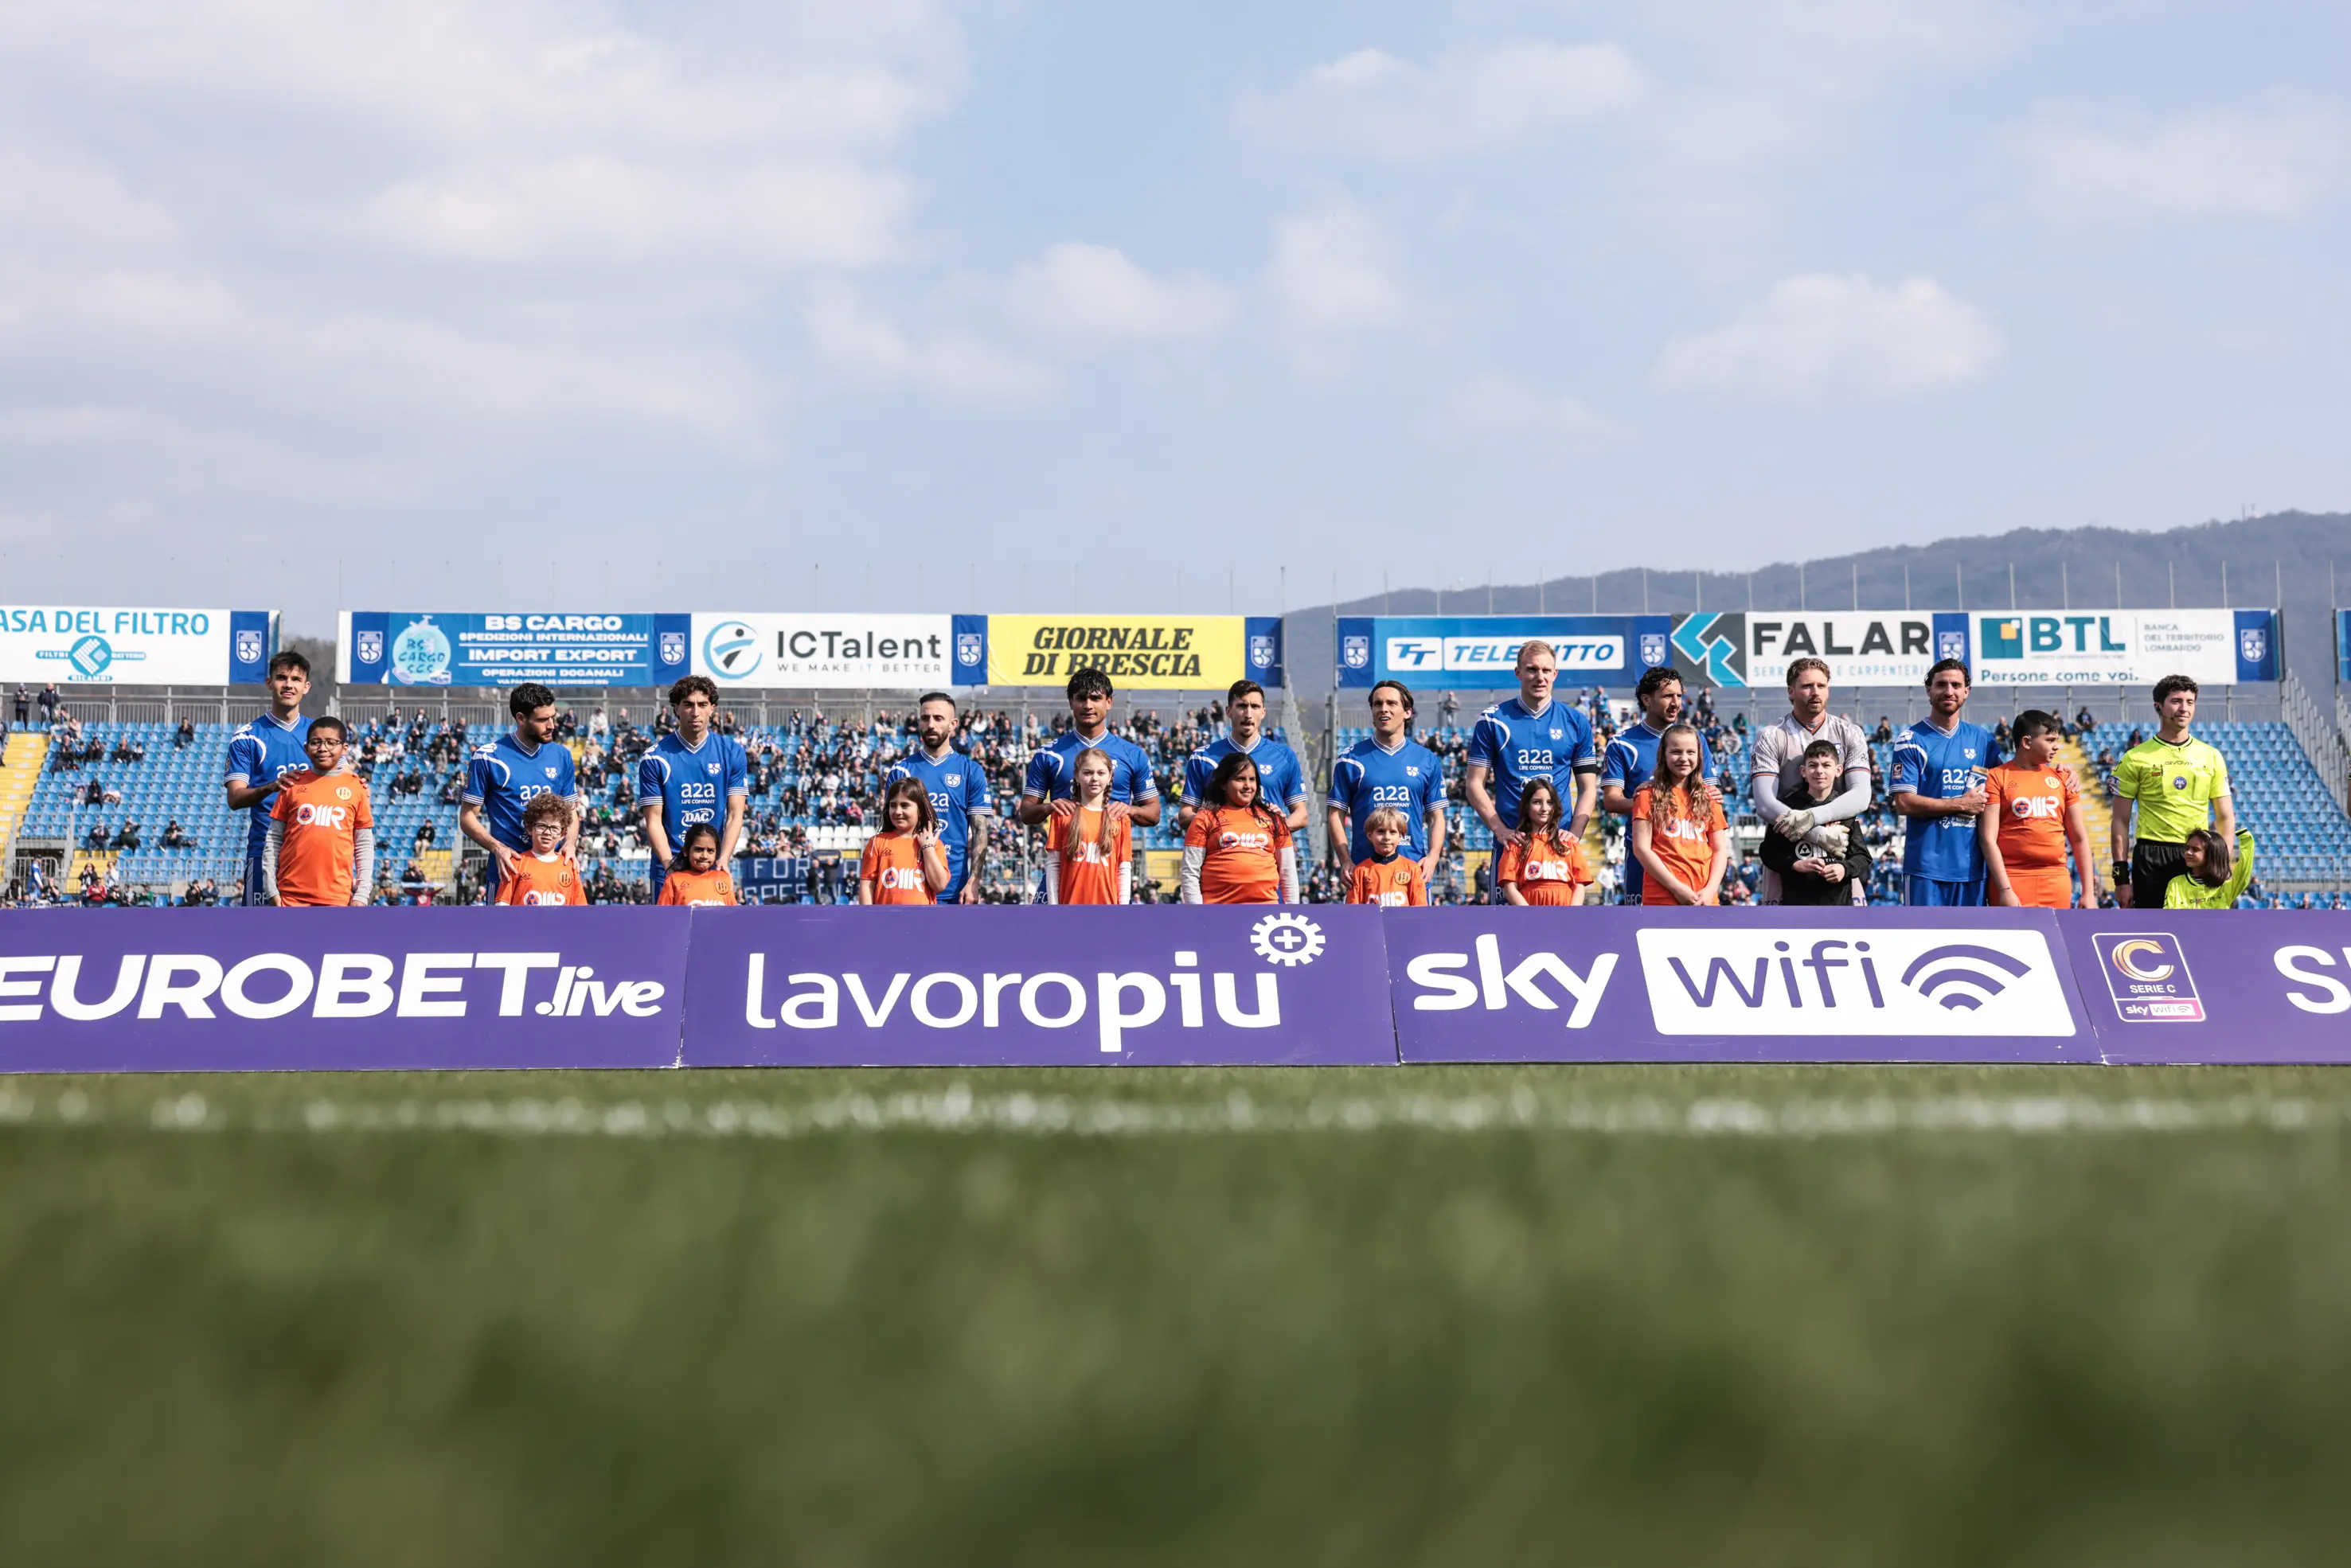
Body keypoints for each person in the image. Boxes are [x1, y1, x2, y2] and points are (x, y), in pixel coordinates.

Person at [1464, 642, 1599, 881]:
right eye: (1532, 670)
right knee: (1507, 919)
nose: (1540, 677)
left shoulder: (1576, 721)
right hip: (1513, 844)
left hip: (1558, 845)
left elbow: (1589, 788)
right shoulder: (1493, 720)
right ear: (1518, 673)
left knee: (1561, 917)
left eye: (1547, 671)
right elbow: (1474, 784)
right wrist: (1499, 829)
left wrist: (1576, 833)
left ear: (1555, 674)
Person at [1748, 657, 1872, 904]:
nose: (1815, 692)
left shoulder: (1850, 733)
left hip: (1840, 847)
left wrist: (1813, 820)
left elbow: (1861, 796)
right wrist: (1817, 834)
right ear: (1791, 691)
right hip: (1788, 853)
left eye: (1821, 685)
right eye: (1806, 686)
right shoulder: (1771, 736)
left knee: (1850, 929)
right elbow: (1764, 804)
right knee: (1781, 933)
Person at [2111, 674, 2235, 910]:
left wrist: (2222, 864)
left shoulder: (2211, 756)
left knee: (2198, 932)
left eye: (2190, 702)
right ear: (2159, 707)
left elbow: (2226, 817)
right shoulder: (2135, 758)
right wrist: (2121, 878)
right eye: (2176, 701)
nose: (2184, 708)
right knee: (2153, 931)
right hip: (2151, 856)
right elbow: (2119, 820)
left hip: (2197, 854)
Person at [1599, 667, 1716, 904]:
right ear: (1646, 700)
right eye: (1667, 696)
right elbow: (1611, 800)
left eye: (1679, 696)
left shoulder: (1696, 739)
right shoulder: (1622, 743)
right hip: (1644, 855)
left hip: (1691, 857)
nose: (1676, 703)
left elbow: (1710, 793)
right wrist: (1649, 803)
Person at [1890, 659, 2001, 906]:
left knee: (1970, 942)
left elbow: (2009, 781)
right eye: (1941, 684)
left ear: (1966, 692)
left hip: (1974, 869)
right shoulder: (1911, 739)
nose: (1949, 691)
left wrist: (2050, 771)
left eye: (1956, 685)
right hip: (1926, 869)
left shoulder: (1983, 740)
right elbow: (1904, 803)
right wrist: (1960, 804)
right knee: (1923, 941)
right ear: (1929, 689)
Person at [462, 682, 581, 902]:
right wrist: (497, 849)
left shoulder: (561, 756)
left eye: (553, 717)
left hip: (552, 876)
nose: (552, 725)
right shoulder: (489, 757)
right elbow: (467, 818)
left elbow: (571, 812)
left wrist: (570, 844)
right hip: (508, 873)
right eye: (543, 720)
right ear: (520, 718)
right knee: (501, 937)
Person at [638, 675, 748, 903]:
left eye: (702, 704)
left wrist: (723, 859)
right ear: (676, 709)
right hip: (669, 866)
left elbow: (736, 815)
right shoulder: (655, 758)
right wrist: (669, 864)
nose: (695, 712)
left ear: (713, 709)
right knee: (666, 937)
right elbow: (654, 820)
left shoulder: (732, 752)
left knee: (716, 936)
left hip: (711, 866)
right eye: (688, 704)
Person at [1327, 680, 1447, 887]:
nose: (1384, 709)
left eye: (1391, 704)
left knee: (1413, 922)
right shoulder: (1351, 759)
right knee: (1363, 922)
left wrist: (1433, 857)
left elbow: (1437, 817)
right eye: (1377, 704)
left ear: (1407, 712)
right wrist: (1345, 860)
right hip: (1365, 874)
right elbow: (1335, 815)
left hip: (1413, 872)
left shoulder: (1426, 760)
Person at [222, 650, 314, 907]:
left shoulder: (320, 736)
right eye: (281, 677)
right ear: (269, 683)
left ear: (306, 687)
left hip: (311, 857)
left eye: (296, 679)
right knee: (257, 939)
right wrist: (272, 786)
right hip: (264, 855)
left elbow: (343, 782)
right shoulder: (248, 736)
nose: (288, 684)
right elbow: (235, 798)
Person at [1017, 668, 1162, 830]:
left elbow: (1154, 813)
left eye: (1095, 698)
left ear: (1109, 702)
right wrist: (1049, 807)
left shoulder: (1134, 754)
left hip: (1115, 853)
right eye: (1081, 698)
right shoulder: (1048, 754)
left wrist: (1130, 810)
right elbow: (1026, 813)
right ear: (1071, 702)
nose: (1088, 705)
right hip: (1066, 852)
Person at [883, 692, 994, 904]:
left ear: (953, 725)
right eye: (925, 718)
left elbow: (980, 829)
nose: (931, 724)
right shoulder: (901, 770)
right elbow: (889, 831)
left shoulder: (970, 770)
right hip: (908, 885)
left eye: (938, 718)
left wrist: (974, 881)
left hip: (954, 888)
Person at [1980, 711, 2096, 909]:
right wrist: (2005, 890)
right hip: (2012, 879)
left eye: (2057, 740)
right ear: (2027, 742)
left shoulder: (2063, 778)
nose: (2057, 746)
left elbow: (2079, 839)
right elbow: (1987, 838)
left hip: (2056, 879)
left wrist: (2088, 893)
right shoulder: (1996, 777)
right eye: (2050, 740)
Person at [261, 716, 373, 907]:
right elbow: (274, 839)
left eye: (331, 743)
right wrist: (271, 888)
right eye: (316, 742)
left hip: (337, 899)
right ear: (306, 748)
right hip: (290, 898)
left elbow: (364, 844)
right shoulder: (291, 784)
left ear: (344, 749)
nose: (323, 749)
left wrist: (362, 894)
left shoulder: (357, 787)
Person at [1181, 679, 1308, 833]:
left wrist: (1275, 828)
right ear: (1229, 711)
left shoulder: (1285, 756)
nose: (1248, 714)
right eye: (1242, 706)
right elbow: (1185, 814)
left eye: (1255, 706)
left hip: (1267, 855)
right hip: (1220, 854)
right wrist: (1217, 824)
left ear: (1263, 712)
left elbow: (1301, 815)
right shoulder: (1203, 757)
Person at [1760, 740, 1873, 905]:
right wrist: (1795, 864)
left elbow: (1862, 857)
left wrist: (1844, 869)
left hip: (1838, 906)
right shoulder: (1787, 808)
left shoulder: (1847, 808)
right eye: (1813, 765)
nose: (1819, 771)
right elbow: (1767, 852)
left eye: (1826, 765)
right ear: (1803, 771)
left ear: (1838, 770)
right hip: (1796, 905)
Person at [1633, 723, 1729, 907]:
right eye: (1676, 752)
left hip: (1705, 899)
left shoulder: (1710, 797)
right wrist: (1677, 889)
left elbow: (1720, 850)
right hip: (1662, 900)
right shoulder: (1646, 796)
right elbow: (1641, 849)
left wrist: (1709, 891)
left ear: (1699, 757)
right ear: (1664, 755)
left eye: (1690, 752)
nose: (1684, 758)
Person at [1181, 753, 1298, 904]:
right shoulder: (1204, 818)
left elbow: (1288, 872)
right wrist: (1198, 913)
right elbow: (1190, 872)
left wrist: (1293, 911)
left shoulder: (1274, 818)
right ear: (1223, 784)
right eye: (1240, 779)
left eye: (1252, 779)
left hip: (1266, 911)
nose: (1248, 786)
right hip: (1218, 911)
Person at [1043, 748, 1131, 906]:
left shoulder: (1120, 817)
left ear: (1110, 776)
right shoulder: (1063, 814)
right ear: (1077, 776)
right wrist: (1054, 908)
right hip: (1069, 909)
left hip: (1108, 911)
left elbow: (1123, 869)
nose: (1094, 778)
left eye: (1101, 773)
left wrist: (1123, 910)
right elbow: (1053, 865)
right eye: (1088, 773)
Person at [1495, 778, 1594, 907]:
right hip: (1529, 914)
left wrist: (1572, 914)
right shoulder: (1516, 843)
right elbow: (1510, 888)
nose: (1544, 808)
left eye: (1550, 802)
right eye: (1536, 802)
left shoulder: (1569, 842)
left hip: (1565, 914)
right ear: (1526, 806)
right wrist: (1529, 914)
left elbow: (1579, 885)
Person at [861, 778, 949, 905]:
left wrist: (927, 848)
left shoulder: (935, 845)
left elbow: (939, 885)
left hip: (922, 922)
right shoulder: (877, 842)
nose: (897, 811)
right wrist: (867, 918)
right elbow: (867, 886)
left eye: (905, 805)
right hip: (885, 922)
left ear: (920, 810)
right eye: (893, 805)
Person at [494, 794, 587, 906]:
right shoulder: (515, 864)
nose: (547, 832)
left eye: (554, 828)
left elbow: (580, 910)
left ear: (563, 834)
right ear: (529, 828)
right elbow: (502, 906)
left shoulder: (570, 867)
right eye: (541, 826)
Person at [1345, 806, 1428, 907]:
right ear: (1370, 835)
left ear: (1401, 836)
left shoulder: (1413, 870)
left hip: (1403, 923)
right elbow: (1353, 912)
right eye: (1381, 831)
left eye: (1393, 832)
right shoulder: (1360, 871)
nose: (1387, 837)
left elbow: (1420, 911)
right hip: (1371, 922)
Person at [2165, 827, 2258, 909]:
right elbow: (2169, 917)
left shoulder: (2225, 887)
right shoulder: (2176, 884)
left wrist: (2246, 842)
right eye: (2187, 848)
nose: (2188, 853)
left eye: (2195, 849)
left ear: (2211, 854)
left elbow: (2243, 873)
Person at [655, 823, 740, 907]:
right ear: (686, 851)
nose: (704, 856)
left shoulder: (724, 878)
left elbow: (732, 914)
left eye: (710, 851)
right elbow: (663, 916)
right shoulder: (673, 880)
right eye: (698, 850)